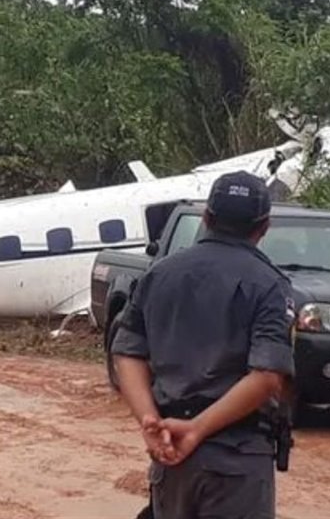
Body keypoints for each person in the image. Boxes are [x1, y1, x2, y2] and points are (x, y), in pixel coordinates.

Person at [111, 171, 295, 519]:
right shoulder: (270, 285)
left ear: (207, 218)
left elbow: (127, 352)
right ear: (264, 227)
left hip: (171, 455)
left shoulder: (159, 274)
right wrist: (197, 430)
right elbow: (267, 376)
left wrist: (150, 421)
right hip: (237, 460)